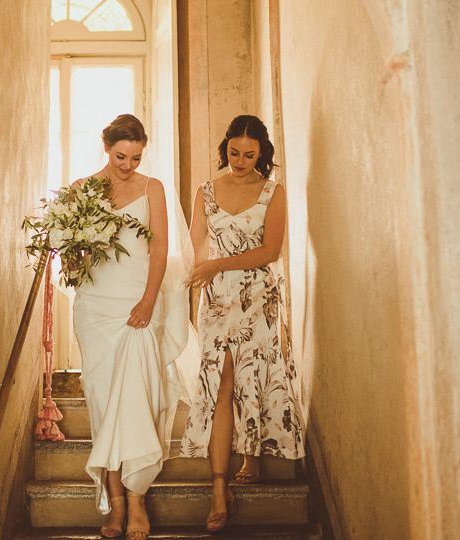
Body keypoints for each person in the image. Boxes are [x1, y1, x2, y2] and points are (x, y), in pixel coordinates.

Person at [179, 114, 305, 533]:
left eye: (249, 154)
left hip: (258, 296)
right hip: (216, 300)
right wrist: (201, 274)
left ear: (262, 153)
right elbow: (197, 248)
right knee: (221, 383)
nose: (240, 160)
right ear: (225, 147)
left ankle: (253, 456)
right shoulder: (207, 192)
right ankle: (218, 489)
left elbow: (270, 251)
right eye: (234, 152)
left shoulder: (273, 192)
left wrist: (218, 263)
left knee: (254, 375)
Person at [72, 114, 188, 540]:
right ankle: (115, 505)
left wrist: (148, 299)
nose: (128, 165)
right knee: (104, 404)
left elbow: (159, 250)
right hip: (95, 306)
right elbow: (75, 255)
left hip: (138, 301)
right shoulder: (82, 191)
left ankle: (137, 501)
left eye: (136, 157)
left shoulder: (151, 188)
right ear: (107, 147)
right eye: (121, 156)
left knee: (138, 397)